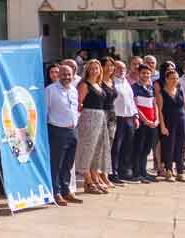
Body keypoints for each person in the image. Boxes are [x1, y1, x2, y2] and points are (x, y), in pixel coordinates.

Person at [45, 61, 81, 205]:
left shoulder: (73, 90)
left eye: (69, 74)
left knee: (68, 164)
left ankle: (66, 191)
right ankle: (56, 192)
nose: (66, 77)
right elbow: (44, 111)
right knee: (56, 164)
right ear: (58, 75)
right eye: (64, 74)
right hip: (57, 131)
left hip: (72, 130)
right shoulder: (50, 90)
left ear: (73, 76)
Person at [76, 59, 113, 194]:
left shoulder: (98, 84)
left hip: (100, 117)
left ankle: (94, 178)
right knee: (87, 149)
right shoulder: (84, 85)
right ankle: (89, 181)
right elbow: (79, 103)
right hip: (88, 117)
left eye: (96, 68)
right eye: (91, 68)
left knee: (98, 151)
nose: (94, 71)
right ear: (87, 70)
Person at [157, 65, 185, 182]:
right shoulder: (161, 93)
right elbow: (159, 110)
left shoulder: (180, 91)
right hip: (168, 122)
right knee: (169, 146)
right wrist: (163, 126)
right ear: (166, 79)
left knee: (181, 147)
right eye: (172, 78)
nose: (175, 80)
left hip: (181, 121)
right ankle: (169, 171)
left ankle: (180, 172)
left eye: (176, 78)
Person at [109, 59, 138, 184]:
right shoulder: (111, 82)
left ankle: (124, 171)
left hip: (129, 117)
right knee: (116, 147)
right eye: (118, 68)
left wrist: (135, 115)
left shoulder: (126, 82)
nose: (121, 70)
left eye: (123, 68)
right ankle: (113, 173)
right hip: (117, 117)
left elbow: (131, 100)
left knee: (128, 146)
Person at [131, 61, 159, 182]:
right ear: (138, 73)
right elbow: (135, 106)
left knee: (147, 148)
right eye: (143, 73)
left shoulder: (151, 87)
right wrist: (146, 120)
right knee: (139, 147)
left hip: (153, 123)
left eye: (148, 73)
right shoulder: (134, 88)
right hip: (142, 123)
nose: (146, 75)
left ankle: (143, 170)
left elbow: (155, 105)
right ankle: (136, 173)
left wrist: (156, 119)